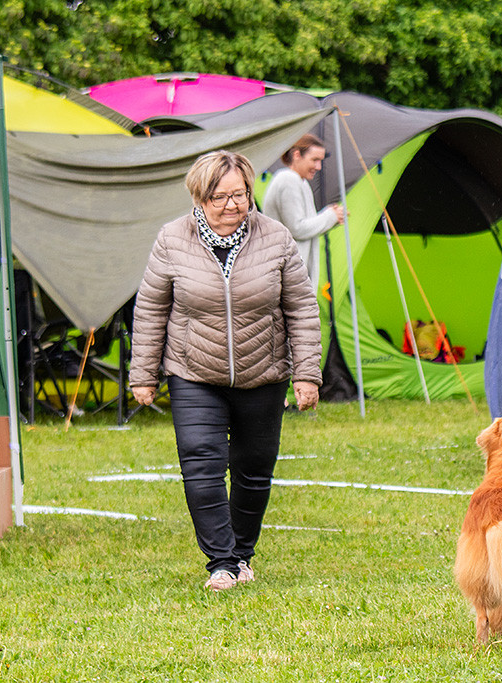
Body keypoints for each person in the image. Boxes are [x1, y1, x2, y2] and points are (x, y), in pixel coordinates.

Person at [130, 150, 323, 591]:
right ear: (199, 197)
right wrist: (143, 374)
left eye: (240, 194)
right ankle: (220, 562)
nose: (232, 205)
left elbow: (301, 308)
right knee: (201, 464)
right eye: (219, 197)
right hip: (193, 372)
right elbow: (151, 308)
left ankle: (242, 554)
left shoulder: (275, 238)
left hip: (263, 373)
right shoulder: (172, 239)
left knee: (254, 469)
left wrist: (306, 374)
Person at [261, 134, 346, 287]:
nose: (318, 167)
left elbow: (304, 226)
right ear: (297, 155)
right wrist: (329, 216)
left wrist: (330, 216)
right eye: (314, 160)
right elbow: (297, 228)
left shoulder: (301, 182)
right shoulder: (288, 180)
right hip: (285, 278)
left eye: (320, 161)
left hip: (291, 277)